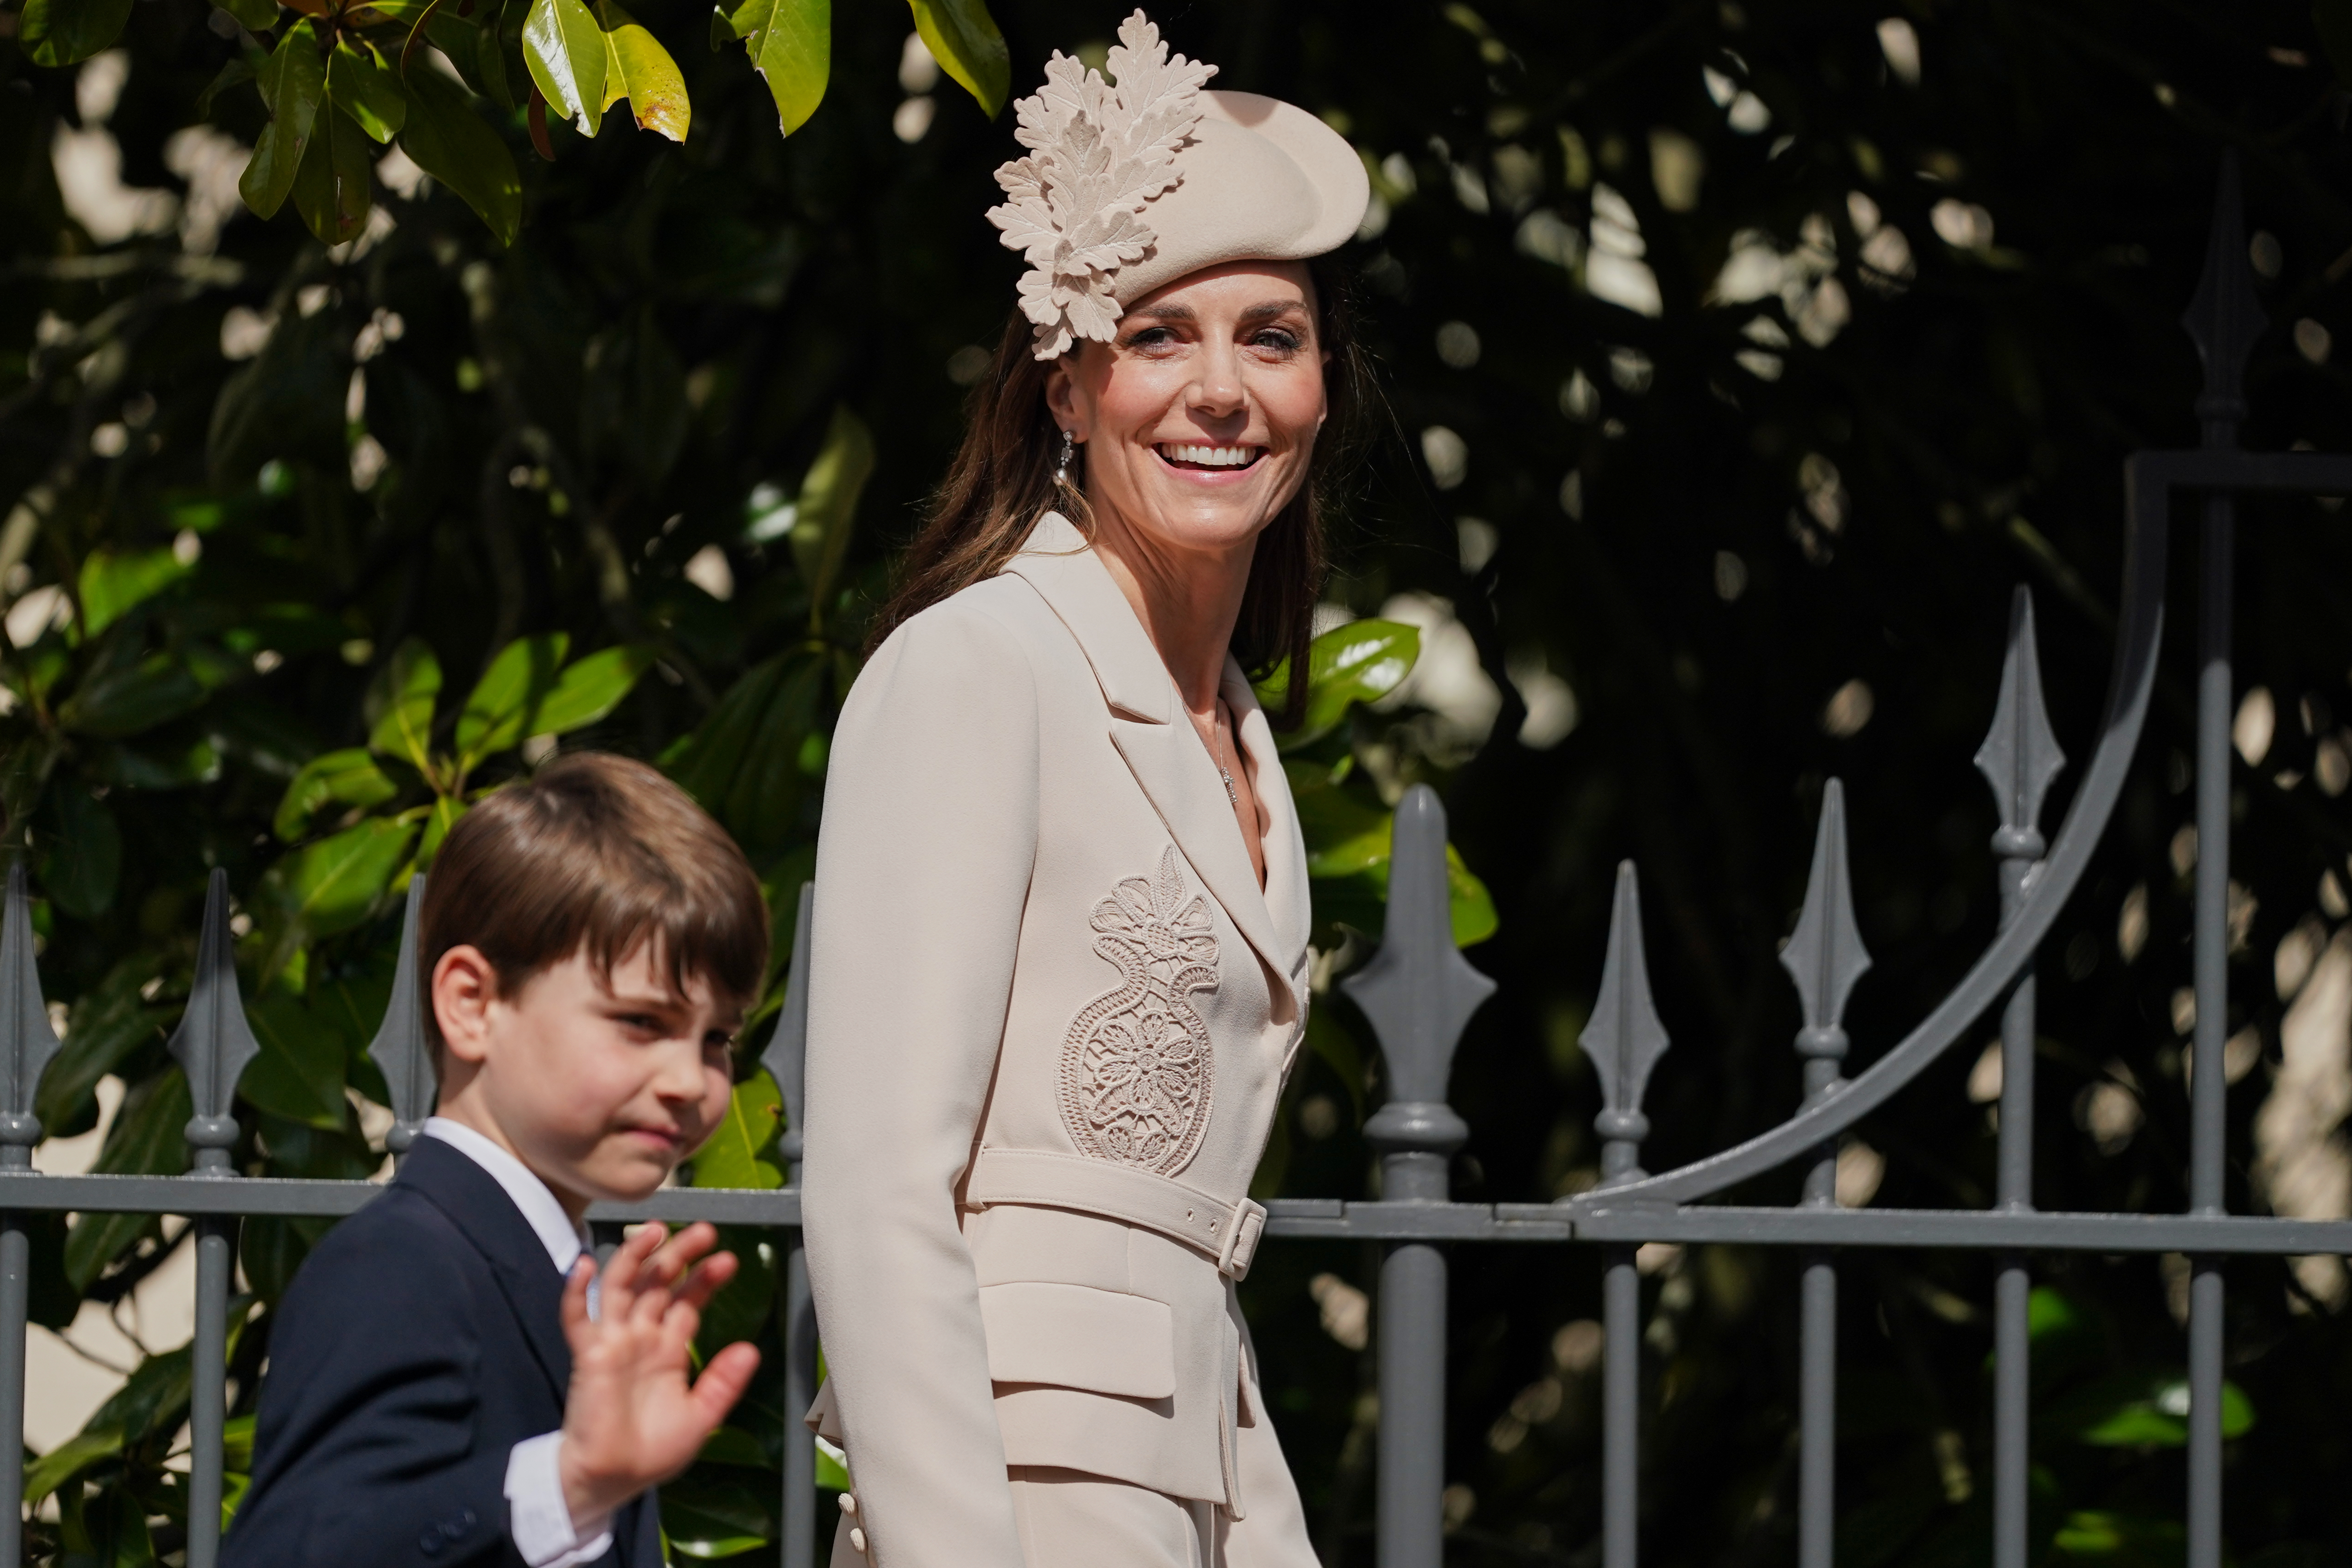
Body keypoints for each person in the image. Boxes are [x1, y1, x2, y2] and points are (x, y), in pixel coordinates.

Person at [800, 12, 1370, 1566]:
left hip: (1208, 1482)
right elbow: (878, 1195)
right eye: (1156, 336)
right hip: (1019, 1490)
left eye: (1270, 337)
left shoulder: (1237, 731)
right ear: (1064, 388)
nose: (1220, 390)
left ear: (1321, 386)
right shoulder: (976, 666)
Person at [225, 754, 769, 1568]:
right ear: (472, 1005)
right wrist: (568, 1483)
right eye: (641, 1022)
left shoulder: (542, 1268)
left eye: (716, 1037)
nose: (690, 1080)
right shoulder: (402, 1264)